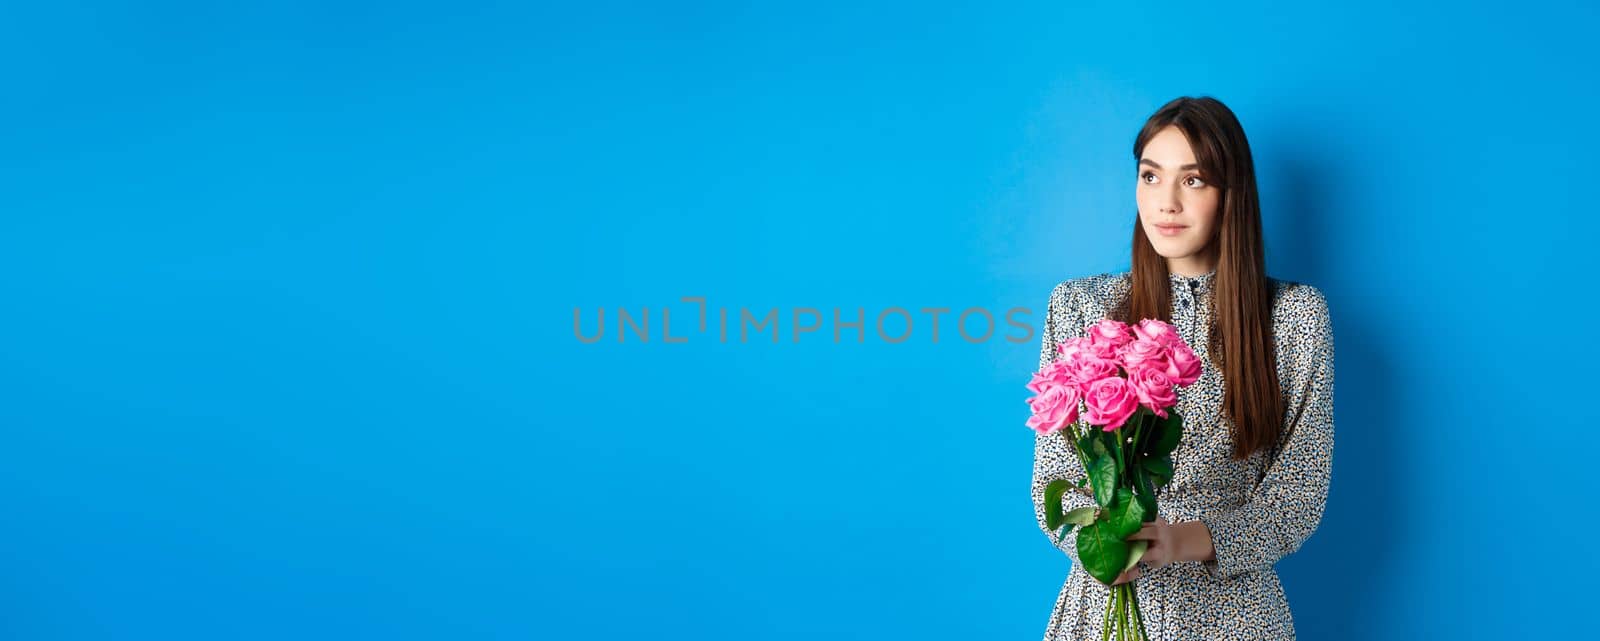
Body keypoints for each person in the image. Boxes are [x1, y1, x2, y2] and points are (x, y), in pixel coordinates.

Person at [1031, 96, 1335, 640]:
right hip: (1105, 608)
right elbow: (1055, 478)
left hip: (1236, 616)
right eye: (1151, 176)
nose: (1166, 202)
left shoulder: (1293, 317)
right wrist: (1103, 546)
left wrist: (1182, 539)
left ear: (1230, 196)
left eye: (1193, 181)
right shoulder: (1082, 308)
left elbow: (1298, 494)